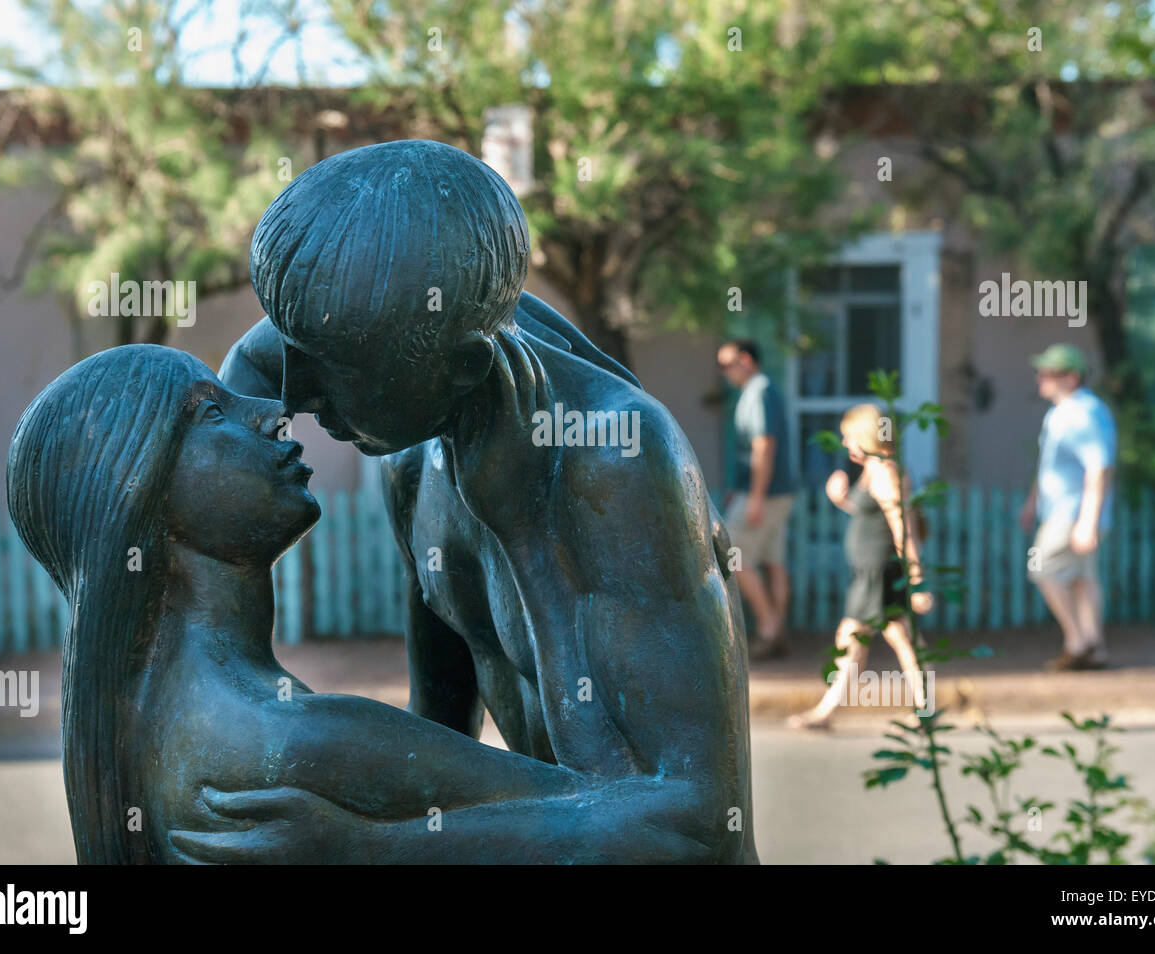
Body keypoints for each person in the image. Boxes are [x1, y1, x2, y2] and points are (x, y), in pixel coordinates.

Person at [193, 139, 758, 863]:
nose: (294, 396)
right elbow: (440, 737)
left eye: (330, 369)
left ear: (465, 367)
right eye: (291, 346)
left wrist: (373, 851)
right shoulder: (410, 448)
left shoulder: (615, 463)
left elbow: (689, 825)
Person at [787, 404, 933, 730]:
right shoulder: (875, 469)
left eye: (849, 436)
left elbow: (901, 525)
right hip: (874, 572)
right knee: (900, 636)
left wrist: (917, 579)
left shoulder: (884, 471)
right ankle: (926, 708)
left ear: (867, 436)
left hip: (878, 574)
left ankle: (825, 712)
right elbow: (873, 517)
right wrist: (842, 501)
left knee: (853, 638)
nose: (844, 443)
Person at [1020, 343, 1116, 671]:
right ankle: (1095, 648)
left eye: (1049, 373)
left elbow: (1099, 466)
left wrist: (1087, 521)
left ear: (1072, 378)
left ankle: (1077, 642)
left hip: (1072, 514)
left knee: (1042, 569)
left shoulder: (1083, 412)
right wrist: (1033, 501)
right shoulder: (1061, 412)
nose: (1040, 377)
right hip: (1065, 510)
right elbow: (1050, 465)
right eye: (1041, 371)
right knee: (1081, 579)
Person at [717, 339, 798, 660]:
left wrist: (754, 496)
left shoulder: (759, 392)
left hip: (764, 494)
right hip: (774, 492)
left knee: (732, 554)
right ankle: (779, 632)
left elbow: (764, 445)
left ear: (746, 360)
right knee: (774, 562)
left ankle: (768, 627)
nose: (724, 373)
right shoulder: (761, 391)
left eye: (726, 365)